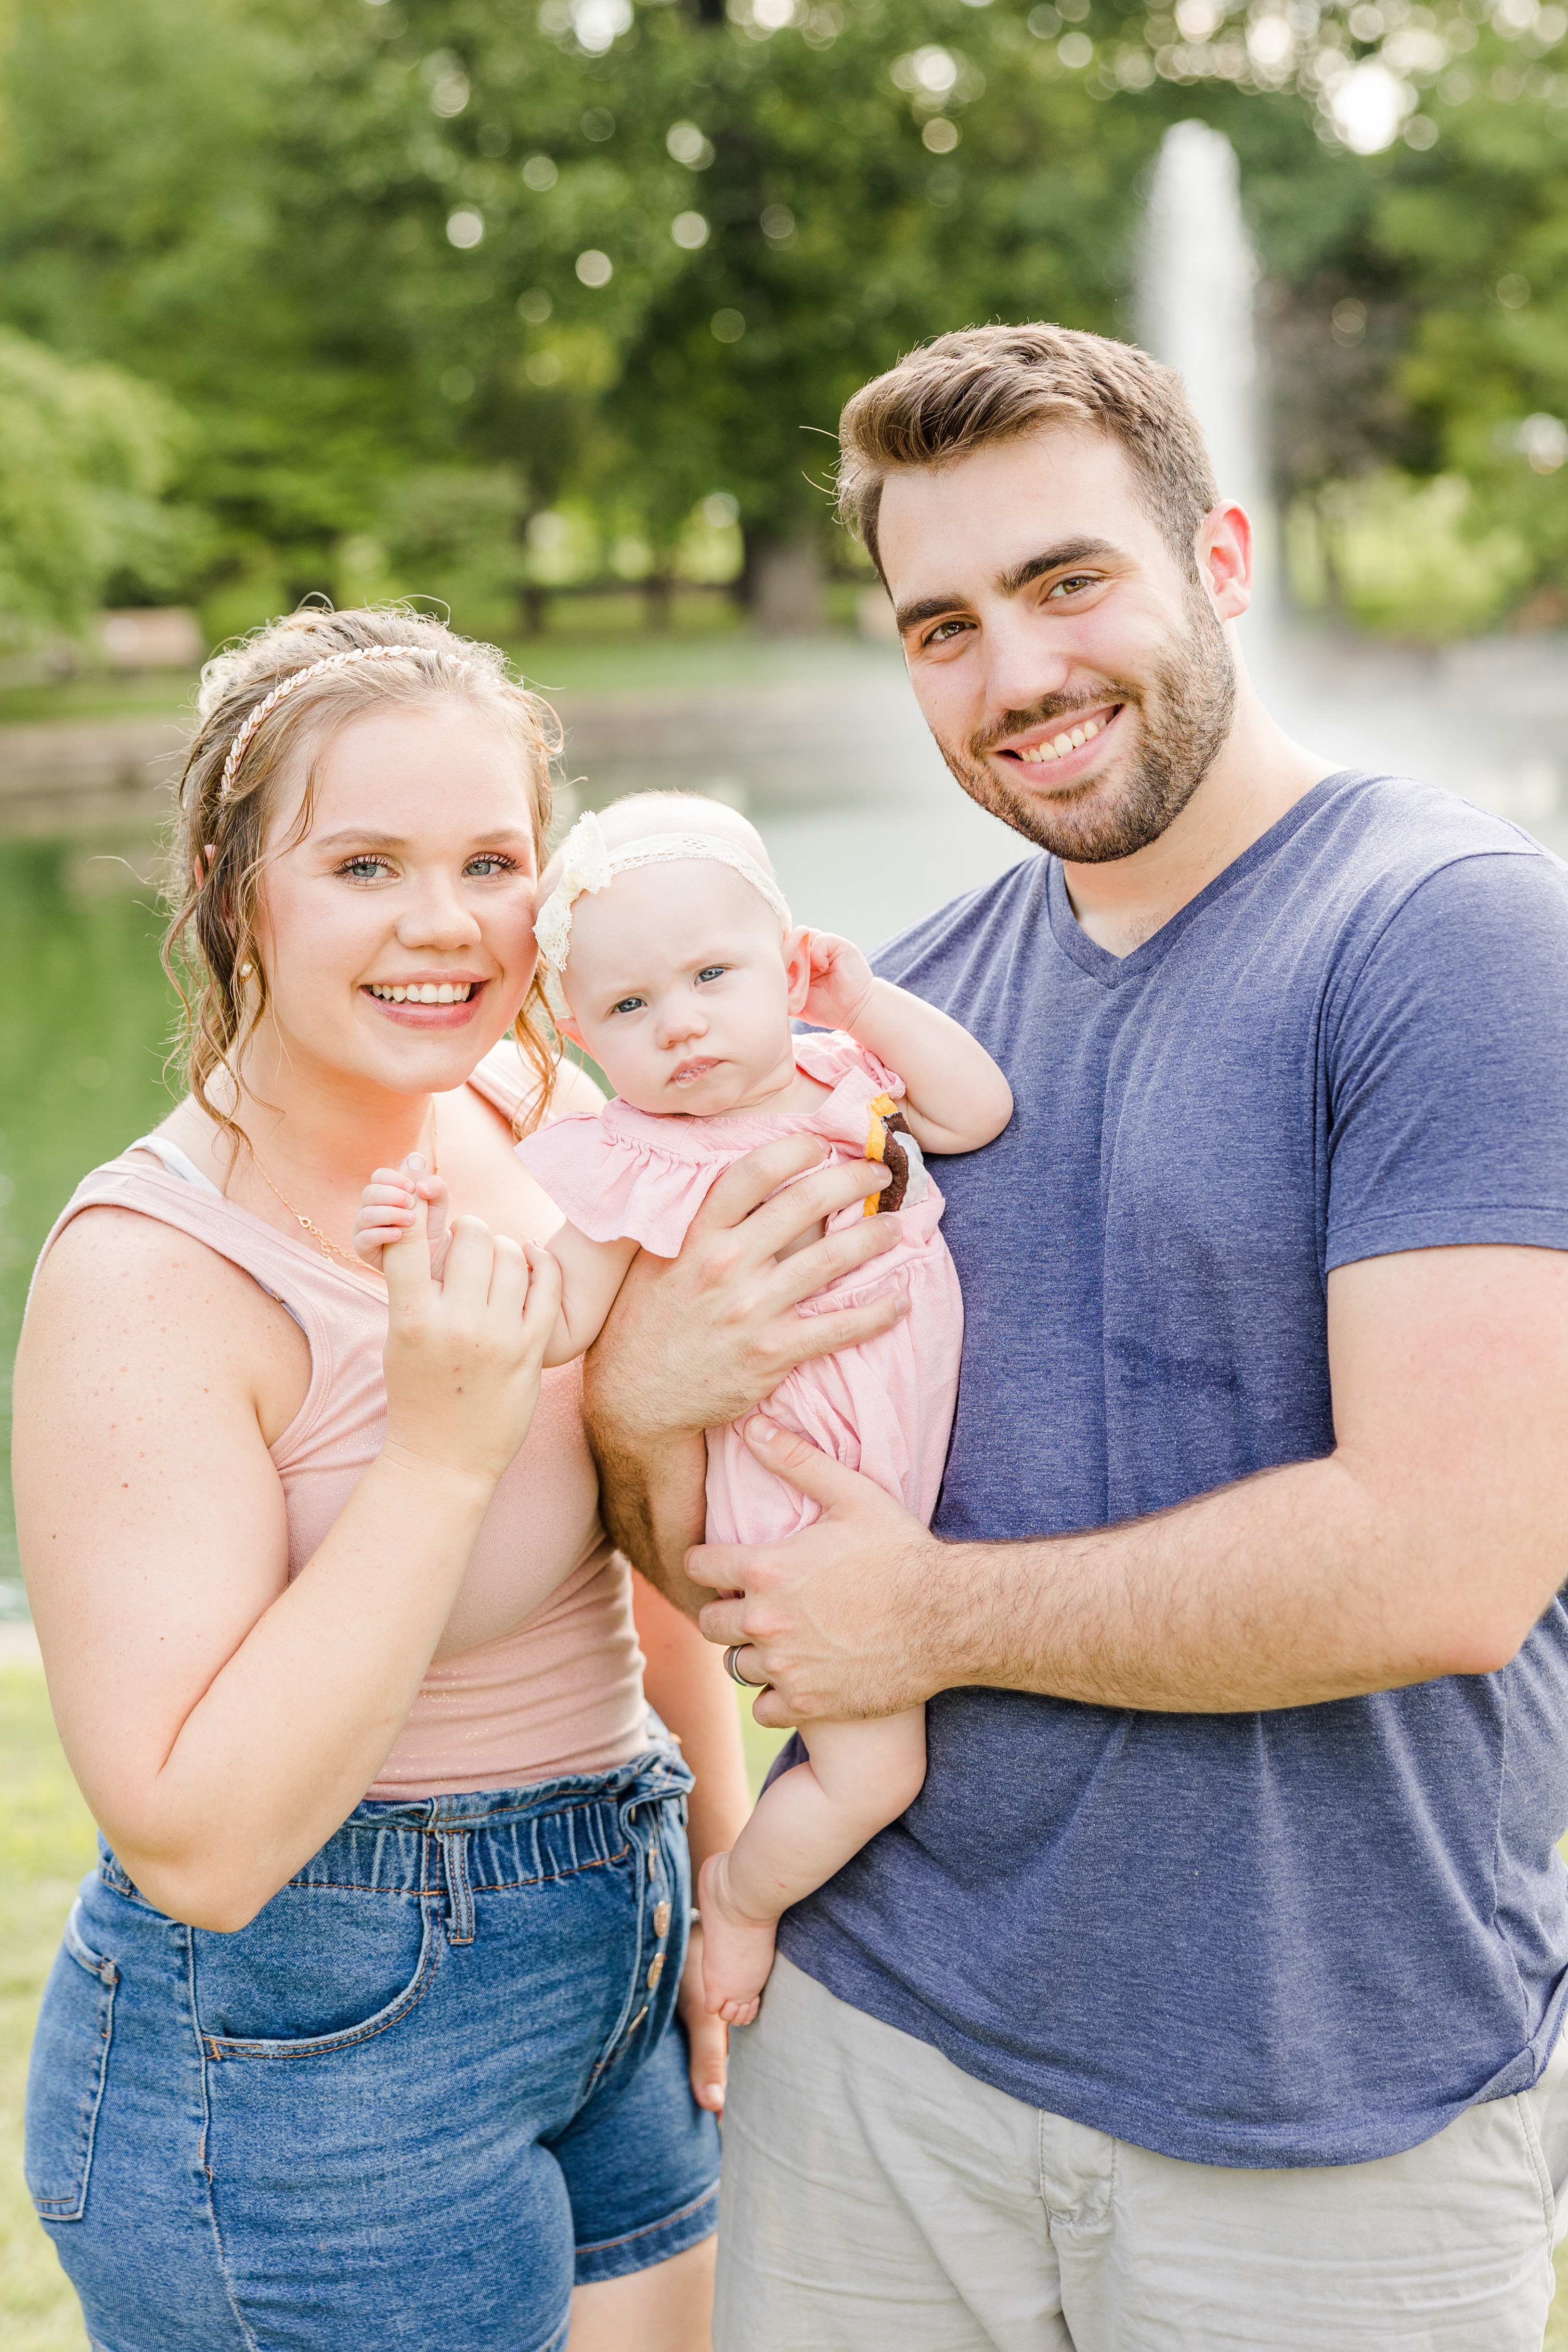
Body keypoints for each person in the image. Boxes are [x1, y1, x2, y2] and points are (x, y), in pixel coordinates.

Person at [581, 324, 1568, 2351]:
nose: (1012, 674)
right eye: (938, 626)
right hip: (872, 2063)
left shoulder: (1448, 940)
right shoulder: (880, 1035)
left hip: (1314, 2113)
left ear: (1218, 558)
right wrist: (630, 1406)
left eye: (1063, 583)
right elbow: (745, 1556)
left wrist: (928, 1622)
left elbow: (1451, 1563)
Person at [11, 606, 887, 2352]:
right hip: (315, 2061)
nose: (442, 923)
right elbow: (193, 1837)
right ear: (227, 876)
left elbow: (626, 1568)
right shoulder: (150, 1275)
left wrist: (714, 1883)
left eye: (491, 858)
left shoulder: (522, 1108)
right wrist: (439, 1440)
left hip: (617, 1941)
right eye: (362, 862)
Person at [355, 790, 1011, 2024]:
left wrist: (865, 1002)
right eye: (631, 1008)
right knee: (877, 1769)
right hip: (795, 1504)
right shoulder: (631, 1161)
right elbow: (550, 1321)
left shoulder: (840, 1073)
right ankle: (746, 1899)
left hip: (901, 1464)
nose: (685, 1025)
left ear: (788, 961)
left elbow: (980, 1112)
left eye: (714, 974)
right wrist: (431, 1244)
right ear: (584, 1036)